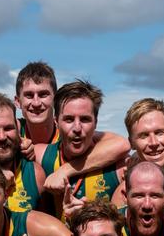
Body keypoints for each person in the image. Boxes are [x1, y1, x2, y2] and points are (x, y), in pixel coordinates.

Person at [37, 80, 128, 214]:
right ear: (56, 121)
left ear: (96, 122)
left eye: (85, 119)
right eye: (69, 119)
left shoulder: (119, 167)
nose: (77, 128)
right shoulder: (41, 156)